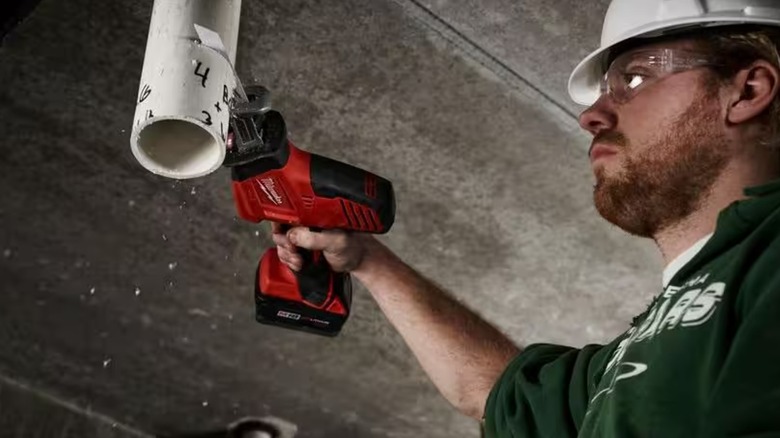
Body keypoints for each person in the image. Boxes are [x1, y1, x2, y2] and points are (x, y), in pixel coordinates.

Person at [271, 0, 780, 436]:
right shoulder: (649, 347)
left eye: (636, 77)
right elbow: (494, 391)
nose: (592, 114)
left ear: (749, 90)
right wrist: (367, 260)